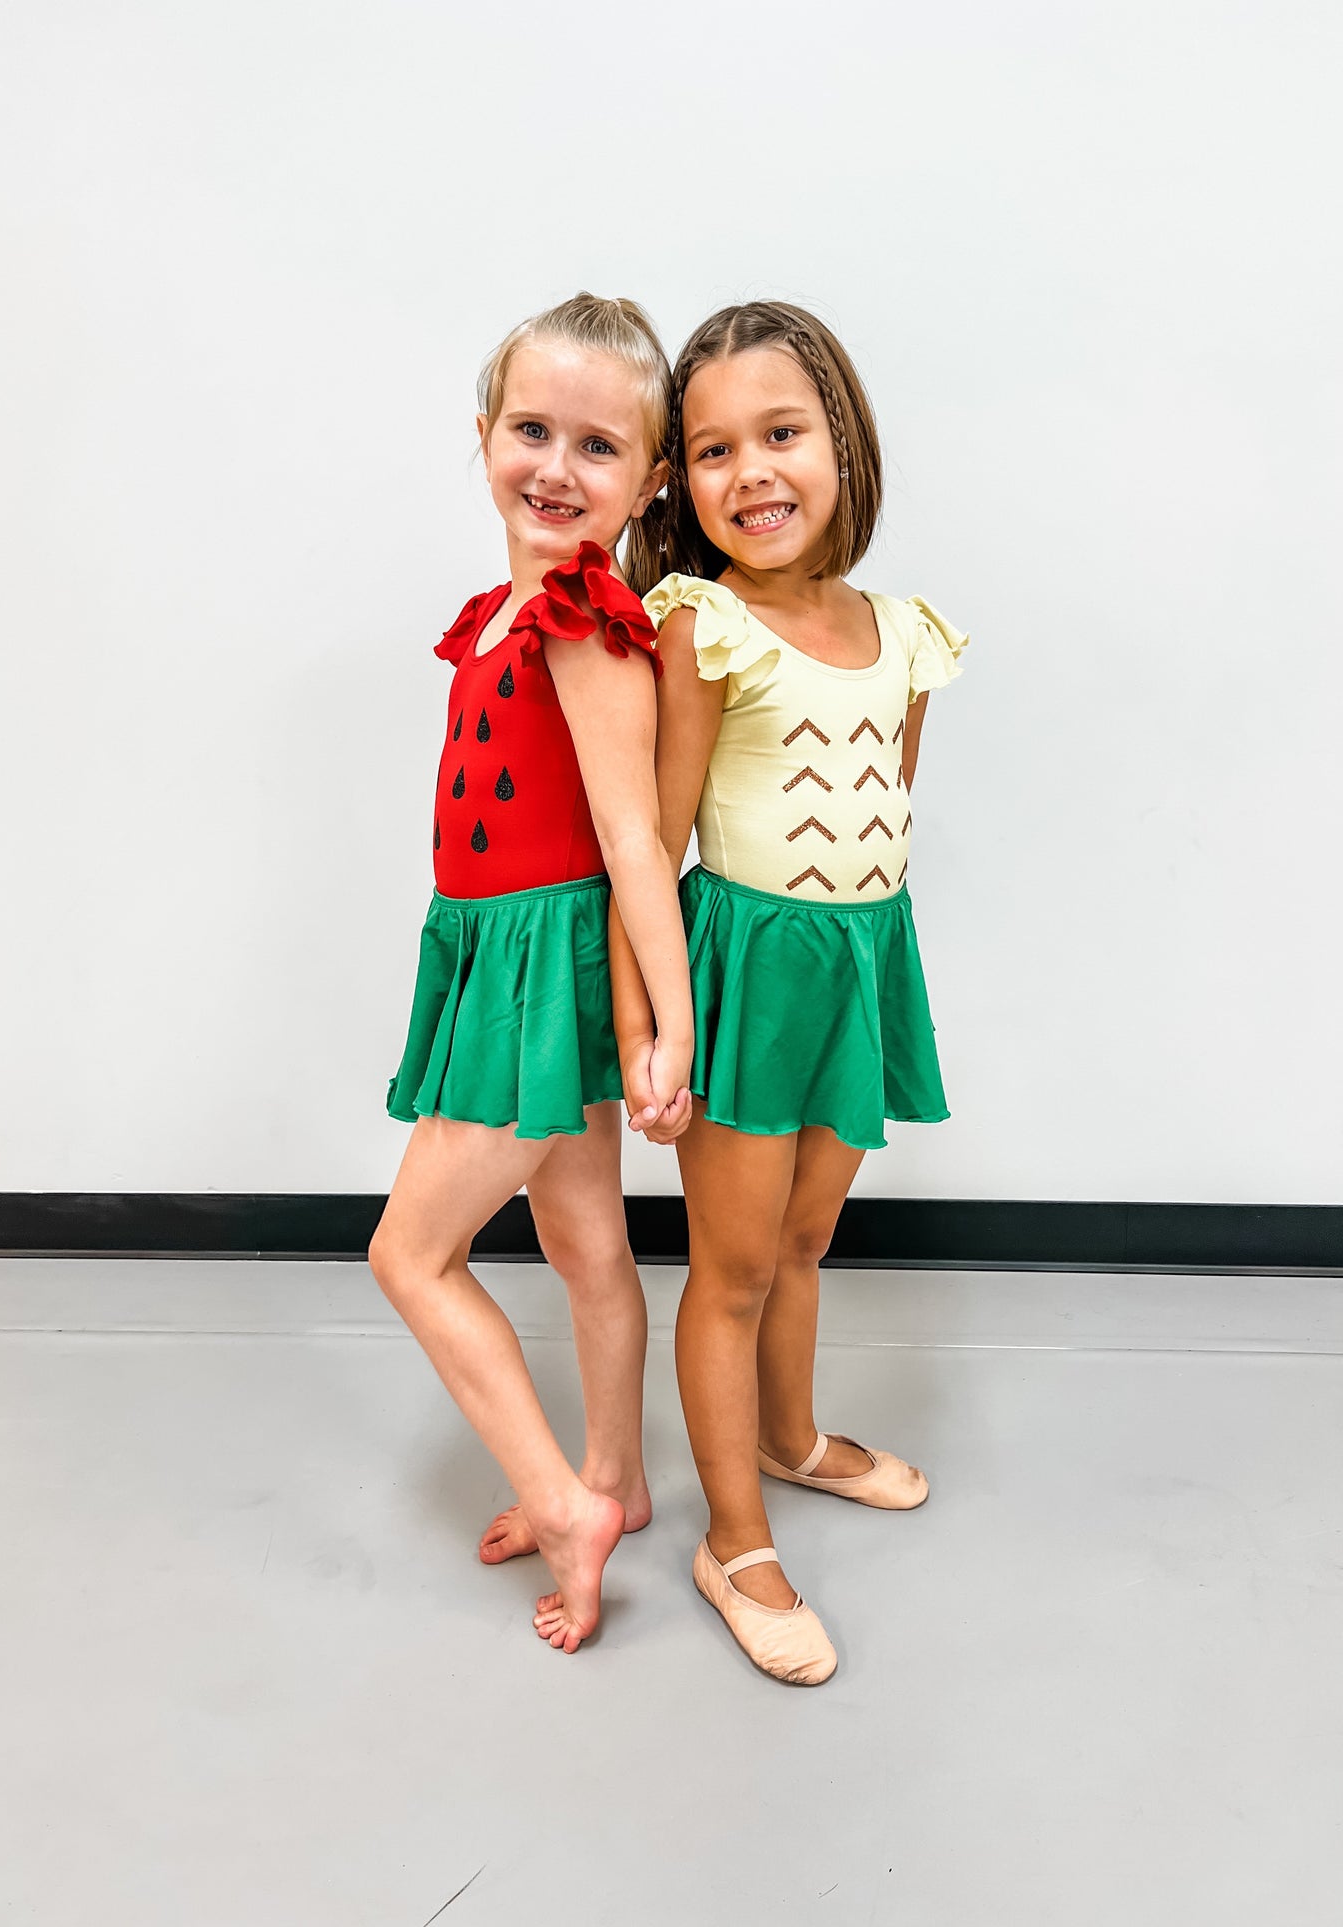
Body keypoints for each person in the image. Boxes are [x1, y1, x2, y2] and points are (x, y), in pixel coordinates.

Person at [614, 300, 969, 1684]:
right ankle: (734, 1538)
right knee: (736, 1263)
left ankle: (791, 1435)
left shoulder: (904, 631)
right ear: (682, 484)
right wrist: (653, 1021)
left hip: (855, 961)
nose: (750, 472)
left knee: (808, 1243)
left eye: (780, 433)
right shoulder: (699, 623)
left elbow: (890, 795)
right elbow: (649, 833)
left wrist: (856, 957)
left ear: (843, 443)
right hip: (745, 971)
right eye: (711, 450)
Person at [370, 294, 693, 1655]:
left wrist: (668, 1023)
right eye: (530, 429)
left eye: (599, 447)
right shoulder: (496, 613)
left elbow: (633, 841)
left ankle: (559, 1501)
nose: (556, 467)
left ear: (651, 479)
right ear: (486, 433)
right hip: (498, 946)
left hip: (540, 969)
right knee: (581, 1243)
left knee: (409, 1253)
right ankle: (614, 1481)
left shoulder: (579, 615)